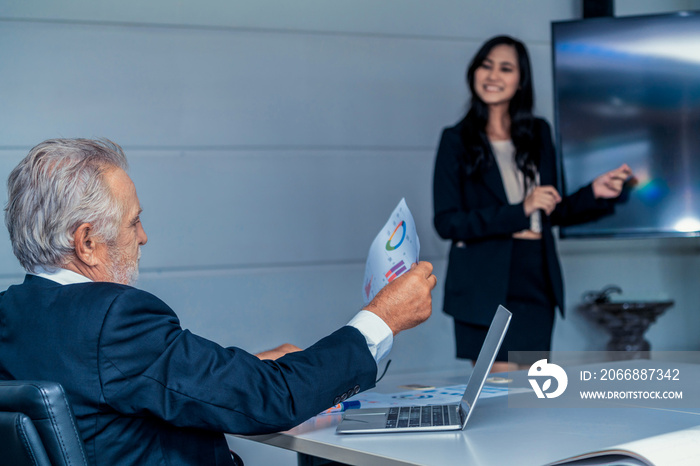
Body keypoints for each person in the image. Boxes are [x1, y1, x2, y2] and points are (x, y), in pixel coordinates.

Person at [0, 138, 437, 465]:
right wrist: (382, 318)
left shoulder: (14, 314)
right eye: (134, 222)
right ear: (88, 242)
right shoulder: (111, 316)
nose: (143, 236)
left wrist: (246, 365)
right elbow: (272, 400)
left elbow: (112, 384)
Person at [432, 35, 632, 371]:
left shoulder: (538, 133)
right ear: (473, 72)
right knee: (501, 397)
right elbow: (448, 222)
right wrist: (520, 211)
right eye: (486, 65)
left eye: (506, 68)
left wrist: (593, 193)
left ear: (520, 80)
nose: (493, 75)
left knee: (531, 399)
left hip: (535, 279)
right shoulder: (456, 140)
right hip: (484, 283)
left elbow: (552, 211)